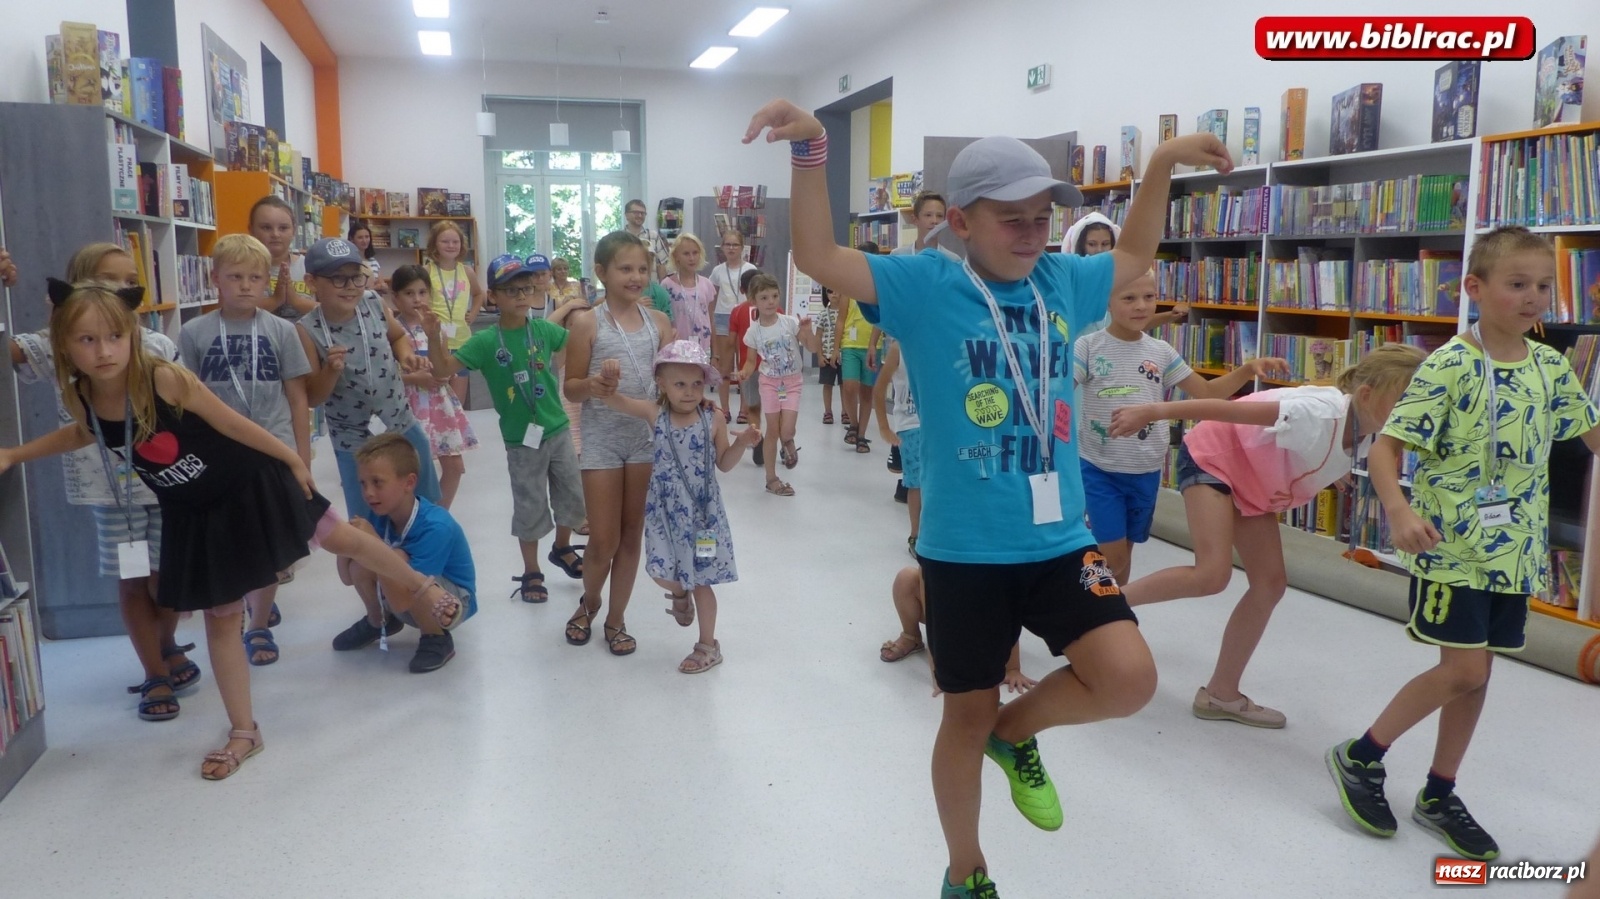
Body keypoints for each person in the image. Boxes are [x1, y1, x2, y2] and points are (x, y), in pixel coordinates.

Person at [744, 98, 1223, 898]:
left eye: (1042, 217)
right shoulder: (926, 284)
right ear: (962, 222)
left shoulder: (1062, 278)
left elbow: (1137, 250)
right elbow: (821, 255)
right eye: (1012, 218)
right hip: (964, 552)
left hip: (1060, 538)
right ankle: (966, 870)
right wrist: (813, 149)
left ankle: (1015, 734)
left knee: (1128, 676)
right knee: (961, 717)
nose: (1032, 233)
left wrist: (1163, 163)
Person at [0, 280, 465, 780]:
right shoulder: (84, 395)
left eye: (114, 336)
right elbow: (84, 432)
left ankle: (420, 586)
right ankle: (245, 731)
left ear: (132, 334)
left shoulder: (161, 378)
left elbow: (231, 423)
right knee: (222, 619)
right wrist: (16, 454)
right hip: (194, 514)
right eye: (87, 340)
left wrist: (293, 460)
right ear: (64, 344)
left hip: (251, 484)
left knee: (341, 538)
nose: (103, 351)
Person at [1328, 226, 1600, 863]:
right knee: (1464, 669)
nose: (1533, 297)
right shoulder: (1449, 365)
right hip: (1451, 548)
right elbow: (1387, 449)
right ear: (1474, 288)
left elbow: (1590, 434)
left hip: (1516, 552)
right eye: (1517, 283)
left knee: (1478, 675)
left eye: (1543, 286)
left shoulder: (1549, 366)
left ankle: (1439, 791)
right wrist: (1397, 511)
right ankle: (1360, 756)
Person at [1111, 344, 1426, 726]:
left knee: (1270, 583)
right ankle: (1099, 606)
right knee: (1211, 575)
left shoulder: (1365, 429)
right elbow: (1226, 410)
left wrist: (1332, 467)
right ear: (1366, 395)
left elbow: (1317, 448)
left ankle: (1220, 694)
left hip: (1253, 480)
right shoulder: (1318, 411)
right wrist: (1152, 411)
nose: (1416, 411)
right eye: (1406, 400)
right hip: (1214, 457)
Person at [8, 244, 195, 719]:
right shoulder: (59, 345)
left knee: (168, 578)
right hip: (110, 494)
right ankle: (154, 672)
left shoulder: (155, 345)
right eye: (110, 279)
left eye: (130, 280)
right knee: (132, 580)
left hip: (167, 484)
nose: (123, 289)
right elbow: (10, 353)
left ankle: (167, 643)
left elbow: (189, 408)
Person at [1074, 269, 1289, 585]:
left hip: (1146, 471)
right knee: (1112, 556)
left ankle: (1114, 610)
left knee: (1125, 555)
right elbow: (1060, 391)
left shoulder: (1161, 351)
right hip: (1099, 469)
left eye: (1149, 297)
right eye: (1129, 298)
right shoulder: (1089, 346)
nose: (1141, 306)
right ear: (1107, 301)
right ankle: (1078, 601)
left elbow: (1208, 392)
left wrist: (1246, 370)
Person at [181, 234, 313, 668]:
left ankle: (258, 624)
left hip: (274, 450)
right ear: (215, 279)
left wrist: (302, 456)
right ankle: (235, 610)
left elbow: (297, 398)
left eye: (255, 278)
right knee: (231, 539)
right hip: (218, 456)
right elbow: (185, 399)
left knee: (270, 542)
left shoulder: (282, 331)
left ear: (267, 281)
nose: (245, 285)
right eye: (235, 277)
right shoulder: (193, 332)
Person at [425, 254, 586, 604]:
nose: (521, 295)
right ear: (494, 296)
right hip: (521, 440)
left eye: (526, 288)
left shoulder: (544, 330)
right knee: (529, 506)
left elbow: (579, 342)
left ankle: (562, 547)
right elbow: (442, 369)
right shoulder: (485, 342)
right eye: (511, 290)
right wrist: (433, 337)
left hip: (557, 430)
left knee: (573, 497)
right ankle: (532, 570)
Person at [594, 342, 761, 671]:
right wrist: (607, 379)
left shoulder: (713, 417)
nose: (689, 392)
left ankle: (708, 645)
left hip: (703, 517)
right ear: (662, 384)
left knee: (702, 580)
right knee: (659, 571)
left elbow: (724, 464)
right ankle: (681, 593)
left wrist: (741, 443)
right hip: (663, 513)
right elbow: (613, 400)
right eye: (680, 384)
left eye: (697, 384)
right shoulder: (654, 413)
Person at [563, 231, 676, 656]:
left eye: (642, 269)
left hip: (645, 441)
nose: (636, 277)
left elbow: (671, 381)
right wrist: (593, 385)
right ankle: (590, 602)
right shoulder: (587, 323)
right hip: (603, 442)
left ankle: (616, 618)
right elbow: (571, 388)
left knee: (632, 537)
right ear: (601, 273)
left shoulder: (659, 323)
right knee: (603, 540)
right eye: (625, 268)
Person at [295, 238, 442, 522]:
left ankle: (422, 542)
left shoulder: (373, 302)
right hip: (353, 436)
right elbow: (313, 396)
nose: (350, 286)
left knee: (423, 498)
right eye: (338, 279)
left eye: (356, 277)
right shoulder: (307, 329)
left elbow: (397, 336)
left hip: (399, 420)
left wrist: (407, 356)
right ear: (312, 282)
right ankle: (376, 548)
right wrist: (331, 371)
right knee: (367, 513)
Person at [334, 433, 476, 673]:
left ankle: (436, 636)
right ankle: (379, 620)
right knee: (362, 562)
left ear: (409, 483)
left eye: (377, 482)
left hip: (452, 603)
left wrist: (373, 544)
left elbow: (404, 598)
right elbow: (348, 577)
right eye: (363, 483)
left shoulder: (436, 525)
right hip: (402, 596)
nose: (368, 493)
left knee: (395, 558)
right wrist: (347, 542)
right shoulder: (379, 515)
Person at [388, 265, 479, 510]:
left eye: (422, 292)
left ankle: (438, 516)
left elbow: (445, 364)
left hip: (440, 405)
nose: (417, 299)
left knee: (455, 466)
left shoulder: (437, 328)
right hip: (408, 406)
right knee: (413, 469)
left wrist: (444, 375)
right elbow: (385, 376)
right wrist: (414, 379)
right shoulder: (392, 331)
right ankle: (413, 517)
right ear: (395, 297)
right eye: (409, 293)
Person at [880, 566, 1037, 698]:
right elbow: (930, 608)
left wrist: (1013, 668)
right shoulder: (934, 550)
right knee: (906, 578)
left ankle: (974, 643)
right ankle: (911, 636)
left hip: (978, 617)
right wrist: (938, 673)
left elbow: (1006, 613)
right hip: (944, 611)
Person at [735, 273, 820, 496]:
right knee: (772, 430)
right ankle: (771, 479)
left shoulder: (790, 323)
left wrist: (807, 331)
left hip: (792, 382)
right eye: (764, 298)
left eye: (774, 296)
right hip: (770, 383)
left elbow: (812, 347)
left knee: (787, 429)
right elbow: (751, 362)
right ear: (753, 301)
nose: (770, 302)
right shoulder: (753, 331)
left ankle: (788, 440)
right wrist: (744, 372)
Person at [1064, 212, 1189, 332]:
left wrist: (1170, 316)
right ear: (1081, 245)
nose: (1099, 250)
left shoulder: (1123, 277)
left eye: (1105, 244)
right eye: (1092, 244)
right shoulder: (1068, 280)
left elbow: (1133, 322)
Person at [422, 221, 486, 404]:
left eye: (455, 241)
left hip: (461, 342)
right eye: (445, 241)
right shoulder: (427, 271)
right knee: (437, 399)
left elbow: (478, 294)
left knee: (457, 401)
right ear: (435, 244)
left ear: (461, 244)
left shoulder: (467, 271)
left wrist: (473, 313)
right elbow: (419, 300)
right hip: (435, 342)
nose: (451, 245)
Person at [873, 339, 923, 555]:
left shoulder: (937, 342)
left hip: (936, 425)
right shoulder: (897, 349)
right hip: (910, 425)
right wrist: (884, 427)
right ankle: (915, 535)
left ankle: (934, 533)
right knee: (916, 482)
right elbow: (879, 389)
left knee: (936, 481)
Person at [709, 230, 757, 414]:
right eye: (727, 244)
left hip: (745, 317)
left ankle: (744, 409)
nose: (731, 248)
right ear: (722, 247)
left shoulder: (751, 269)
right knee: (725, 366)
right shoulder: (717, 271)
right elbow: (712, 300)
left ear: (742, 247)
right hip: (724, 318)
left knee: (744, 364)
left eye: (735, 244)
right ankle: (725, 409)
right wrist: (711, 320)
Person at [249, 196, 315, 321]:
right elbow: (231, 311)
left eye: (283, 228)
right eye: (266, 227)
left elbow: (332, 311)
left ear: (294, 230)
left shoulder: (309, 266)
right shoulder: (240, 269)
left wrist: (296, 301)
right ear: (251, 230)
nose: (275, 234)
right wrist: (275, 300)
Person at [726, 270, 764, 466]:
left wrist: (727, 363)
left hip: (747, 368)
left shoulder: (737, 311)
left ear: (742, 289)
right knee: (777, 409)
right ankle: (784, 444)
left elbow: (731, 341)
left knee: (753, 407)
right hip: (773, 370)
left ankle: (757, 438)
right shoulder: (774, 308)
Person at [661, 233, 717, 359]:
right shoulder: (666, 285)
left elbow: (711, 319)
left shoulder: (706, 284)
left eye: (695, 253)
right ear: (676, 257)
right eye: (686, 254)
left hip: (703, 347)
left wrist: (715, 354)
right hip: (676, 347)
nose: (691, 258)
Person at [623, 198, 671, 282]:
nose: (640, 216)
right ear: (627, 215)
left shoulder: (654, 236)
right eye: (636, 212)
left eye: (643, 213)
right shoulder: (619, 238)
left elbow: (662, 264)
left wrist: (661, 288)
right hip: (626, 285)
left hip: (650, 287)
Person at [815, 284, 842, 424]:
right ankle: (828, 411)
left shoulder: (847, 313)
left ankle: (846, 412)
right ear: (826, 294)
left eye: (837, 290)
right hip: (826, 355)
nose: (834, 293)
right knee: (827, 384)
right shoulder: (822, 315)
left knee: (845, 385)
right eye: (830, 291)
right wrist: (819, 355)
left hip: (844, 356)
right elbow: (818, 336)